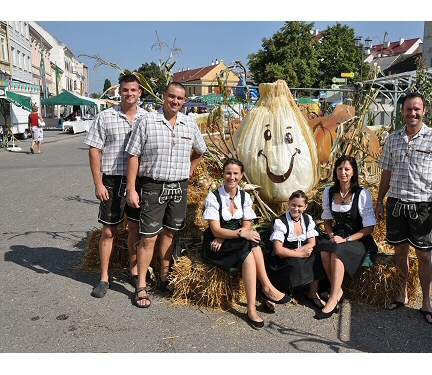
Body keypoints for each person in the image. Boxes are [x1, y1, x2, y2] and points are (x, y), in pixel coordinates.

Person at [126, 82, 207, 308]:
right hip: (153, 186)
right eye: (172, 96)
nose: (176, 101)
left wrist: (189, 170)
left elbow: (201, 150)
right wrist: (131, 189)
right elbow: (133, 155)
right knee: (149, 237)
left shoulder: (189, 124)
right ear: (164, 96)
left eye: (180, 99)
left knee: (170, 235)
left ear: (184, 101)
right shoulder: (147, 121)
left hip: (178, 187)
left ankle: (164, 278)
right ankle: (141, 285)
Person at [375, 92, 432, 326]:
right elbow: (386, 173)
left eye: (417, 109)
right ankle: (402, 294)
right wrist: (379, 201)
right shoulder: (393, 139)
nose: (412, 113)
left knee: (424, 254)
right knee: (399, 252)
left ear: (424, 111)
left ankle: (427, 303)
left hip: (423, 206)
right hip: (396, 203)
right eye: (408, 109)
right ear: (402, 112)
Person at [200, 158, 292, 330]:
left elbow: (247, 224)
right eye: (228, 173)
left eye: (236, 173)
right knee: (250, 253)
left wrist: (238, 233)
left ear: (241, 175)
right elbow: (216, 231)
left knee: (254, 244)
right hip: (216, 245)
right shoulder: (213, 198)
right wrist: (236, 234)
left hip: (232, 239)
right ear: (223, 174)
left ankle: (265, 288)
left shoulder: (245, 196)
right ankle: (254, 305)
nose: (231, 177)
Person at [84, 74, 147, 298]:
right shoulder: (105, 117)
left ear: (140, 93)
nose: (129, 94)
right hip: (112, 179)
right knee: (109, 230)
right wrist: (98, 183)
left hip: (139, 181)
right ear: (118, 92)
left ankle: (133, 270)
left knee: (135, 229)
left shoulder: (147, 118)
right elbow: (94, 150)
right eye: (125, 90)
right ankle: (104, 277)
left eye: (133, 90)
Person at [315, 155, 378, 320]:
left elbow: (369, 228)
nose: (343, 172)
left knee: (337, 251)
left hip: (358, 239)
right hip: (337, 235)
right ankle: (338, 290)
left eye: (347, 169)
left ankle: (332, 298)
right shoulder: (329, 192)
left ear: (354, 172)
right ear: (335, 171)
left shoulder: (362, 194)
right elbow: (327, 220)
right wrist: (331, 235)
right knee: (323, 250)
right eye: (340, 169)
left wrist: (346, 240)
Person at [267, 190, 326, 308]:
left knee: (318, 256)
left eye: (300, 206)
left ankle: (313, 292)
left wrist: (303, 252)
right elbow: (279, 251)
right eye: (293, 205)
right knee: (294, 263)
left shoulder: (307, 219)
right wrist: (299, 254)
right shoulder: (281, 222)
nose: (296, 209)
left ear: (305, 207)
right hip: (284, 255)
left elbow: (312, 242)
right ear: (288, 203)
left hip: (301, 250)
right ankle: (277, 292)